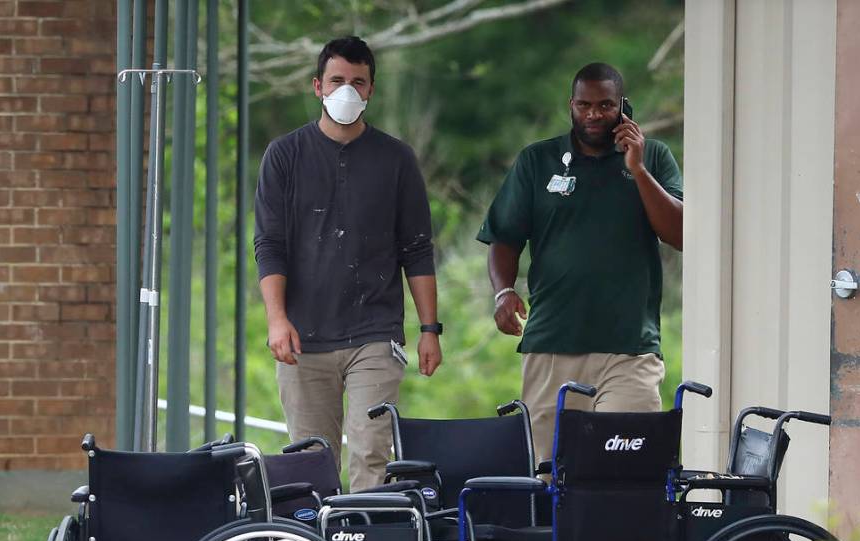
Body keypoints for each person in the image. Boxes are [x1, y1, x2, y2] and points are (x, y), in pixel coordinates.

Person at [254, 36, 443, 491]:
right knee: (311, 462)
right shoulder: (284, 156)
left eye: (358, 82)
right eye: (338, 80)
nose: (347, 91)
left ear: (371, 90)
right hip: (304, 334)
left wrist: (429, 329)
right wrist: (277, 320)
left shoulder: (396, 158)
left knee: (371, 453)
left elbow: (416, 247)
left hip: (374, 334)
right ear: (317, 86)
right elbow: (270, 244)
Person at [477, 62, 683, 463]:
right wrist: (503, 291)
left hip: (629, 350)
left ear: (623, 107)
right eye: (584, 105)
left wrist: (637, 169)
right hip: (553, 346)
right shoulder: (537, 161)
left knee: (626, 474)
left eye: (605, 106)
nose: (593, 115)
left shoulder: (653, 157)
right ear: (570, 105)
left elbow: (679, 233)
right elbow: (504, 236)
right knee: (553, 477)